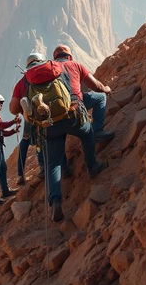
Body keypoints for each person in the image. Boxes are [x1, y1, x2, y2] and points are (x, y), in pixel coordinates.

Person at [10, 56, 107, 222]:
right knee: (87, 134)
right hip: (72, 115)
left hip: (48, 125)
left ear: (28, 67)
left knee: (53, 163)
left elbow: (13, 109)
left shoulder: (24, 81)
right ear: (44, 61)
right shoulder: (62, 67)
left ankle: (55, 202)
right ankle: (93, 166)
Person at [52, 45, 115, 142]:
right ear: (70, 57)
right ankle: (97, 131)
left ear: (55, 57)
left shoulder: (49, 68)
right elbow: (97, 86)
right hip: (74, 106)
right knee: (101, 97)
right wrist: (106, 89)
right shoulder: (75, 65)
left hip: (54, 113)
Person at [16, 53, 46, 185]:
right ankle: (47, 165)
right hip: (47, 111)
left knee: (26, 141)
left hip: (30, 117)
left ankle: (21, 174)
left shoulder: (22, 82)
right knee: (42, 138)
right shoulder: (47, 73)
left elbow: (13, 107)